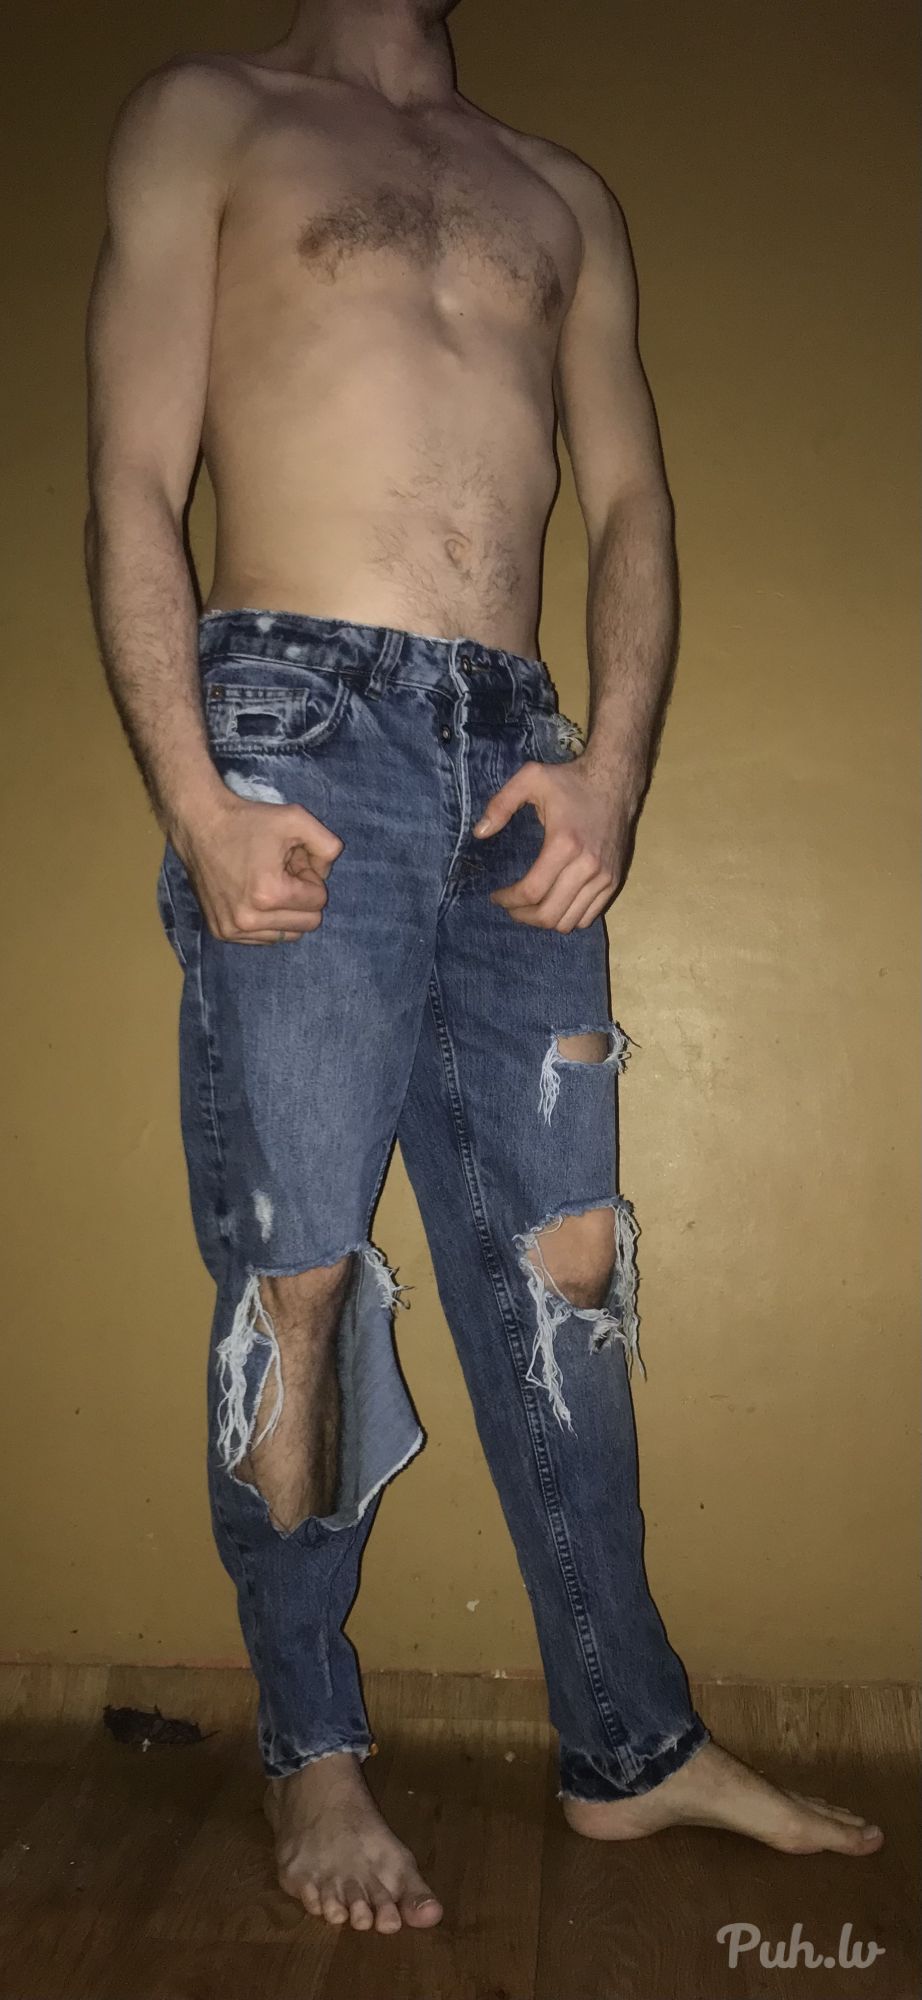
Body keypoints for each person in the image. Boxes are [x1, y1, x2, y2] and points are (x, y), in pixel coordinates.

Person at [83, 0, 883, 1940]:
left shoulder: (558, 192)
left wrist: (609, 768)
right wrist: (195, 797)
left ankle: (627, 1739)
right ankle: (312, 1746)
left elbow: (632, 503)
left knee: (566, 1272)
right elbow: (131, 470)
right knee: (301, 1282)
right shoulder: (210, 113)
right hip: (295, 730)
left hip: (522, 755)